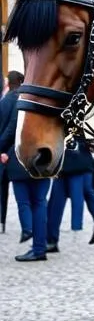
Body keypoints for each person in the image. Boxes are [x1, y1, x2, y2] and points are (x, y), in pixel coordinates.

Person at [0, 82, 51, 261]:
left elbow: (12, 130)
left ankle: (29, 232)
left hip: (23, 158)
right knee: (40, 202)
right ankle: (39, 248)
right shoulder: (49, 102)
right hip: (46, 158)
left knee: (24, 201)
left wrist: (2, 149)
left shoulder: (22, 103)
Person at [45, 135, 94, 251]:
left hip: (77, 161)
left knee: (58, 201)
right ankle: (51, 240)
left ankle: (51, 240)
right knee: (57, 202)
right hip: (69, 161)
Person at [0, 70, 23, 233]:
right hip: (10, 150)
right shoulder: (18, 100)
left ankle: (2, 220)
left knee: (2, 188)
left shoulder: (5, 100)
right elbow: (12, 129)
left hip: (3, 149)